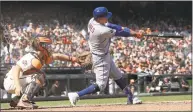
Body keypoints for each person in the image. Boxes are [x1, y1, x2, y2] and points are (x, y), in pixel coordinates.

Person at [68, 7, 143, 106]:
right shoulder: (101, 30)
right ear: (99, 18)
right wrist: (135, 34)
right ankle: (76, 95)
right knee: (101, 85)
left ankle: (131, 97)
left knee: (118, 76)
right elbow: (120, 32)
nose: (107, 18)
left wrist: (134, 32)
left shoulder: (92, 21)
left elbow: (112, 25)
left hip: (104, 55)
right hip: (101, 58)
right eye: (105, 16)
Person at [3, 36, 78, 109]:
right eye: (47, 45)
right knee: (39, 77)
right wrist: (17, 85)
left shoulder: (42, 57)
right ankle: (24, 100)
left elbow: (57, 56)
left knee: (42, 79)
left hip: (19, 79)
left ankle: (16, 100)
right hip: (11, 81)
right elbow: (17, 68)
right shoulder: (31, 56)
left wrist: (72, 59)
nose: (49, 47)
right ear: (41, 46)